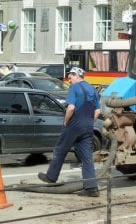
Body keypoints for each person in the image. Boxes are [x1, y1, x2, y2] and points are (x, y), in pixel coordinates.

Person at [38, 67, 101, 197]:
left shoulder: (74, 88)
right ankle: (91, 188)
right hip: (88, 126)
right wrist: (89, 122)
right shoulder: (93, 90)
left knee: (60, 149)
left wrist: (66, 121)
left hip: (74, 125)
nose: (69, 78)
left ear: (77, 75)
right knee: (87, 157)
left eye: (70, 76)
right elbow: (97, 111)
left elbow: (71, 108)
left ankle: (51, 177)